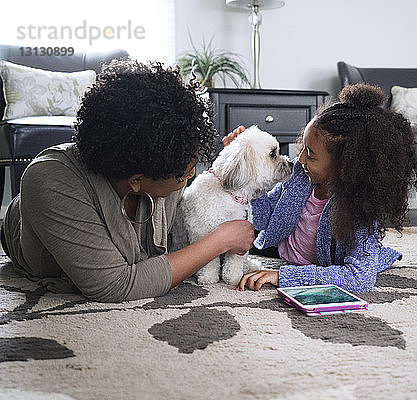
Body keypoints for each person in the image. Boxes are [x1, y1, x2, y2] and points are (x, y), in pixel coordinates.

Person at [0, 59, 255, 302]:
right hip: (31, 225)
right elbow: (114, 285)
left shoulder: (163, 162)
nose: (191, 177)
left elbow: (189, 212)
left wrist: (228, 168)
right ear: (136, 180)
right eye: (184, 175)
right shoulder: (50, 181)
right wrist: (218, 241)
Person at [236, 83, 417, 292]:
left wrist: (283, 276)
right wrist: (250, 168)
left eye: (311, 154)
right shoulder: (300, 175)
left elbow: (359, 279)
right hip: (279, 252)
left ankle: (378, 256)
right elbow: (262, 217)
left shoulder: (359, 207)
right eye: (303, 148)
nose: (300, 159)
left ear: (345, 165)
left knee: (366, 261)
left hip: (311, 267)